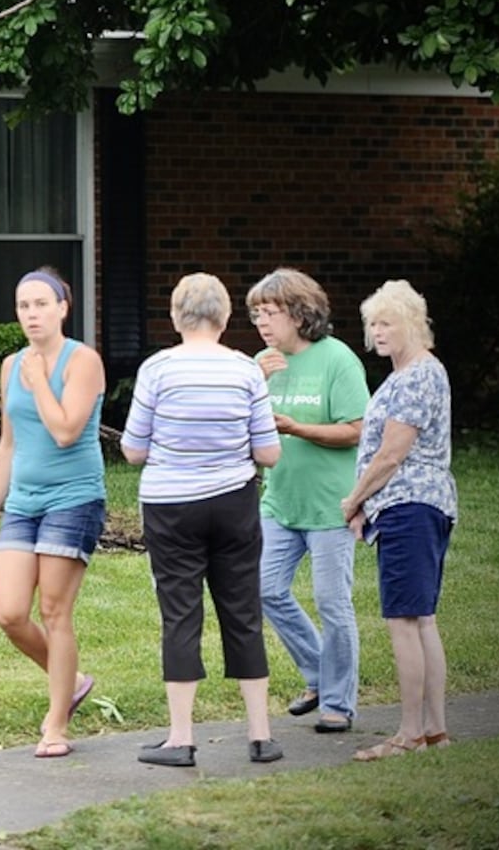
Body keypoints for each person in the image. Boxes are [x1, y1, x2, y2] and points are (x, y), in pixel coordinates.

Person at [120, 273, 283, 767]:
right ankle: (260, 735)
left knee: (180, 615)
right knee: (243, 611)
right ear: (226, 317)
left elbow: (132, 450)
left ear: (175, 316)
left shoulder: (157, 369)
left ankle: (181, 738)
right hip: (234, 503)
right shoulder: (246, 371)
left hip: (170, 507)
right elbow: (268, 452)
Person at [0, 266, 106, 759]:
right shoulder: (12, 366)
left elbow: (66, 431)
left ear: (62, 309)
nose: (32, 314)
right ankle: (71, 680)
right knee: (9, 613)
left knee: (55, 611)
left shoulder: (83, 361)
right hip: (24, 504)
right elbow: (8, 442)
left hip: (74, 500)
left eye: (41, 304)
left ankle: (56, 724)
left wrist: (39, 382)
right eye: (23, 306)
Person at [247, 269, 370, 734]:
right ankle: (320, 673)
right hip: (280, 502)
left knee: (332, 604)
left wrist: (296, 427)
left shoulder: (337, 361)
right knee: (264, 588)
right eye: (257, 313)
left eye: (271, 312)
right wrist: (250, 381)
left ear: (300, 313)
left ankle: (338, 703)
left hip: (329, 506)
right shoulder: (264, 361)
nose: (262, 322)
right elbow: (242, 426)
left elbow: (358, 430)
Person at [342, 279, 457, 761]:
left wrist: (354, 500)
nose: (378, 331)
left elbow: (391, 454)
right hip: (420, 506)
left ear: (412, 322)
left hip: (410, 506)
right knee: (421, 619)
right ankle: (434, 732)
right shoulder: (413, 372)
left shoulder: (415, 376)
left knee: (405, 621)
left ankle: (409, 734)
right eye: (372, 323)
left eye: (387, 321)